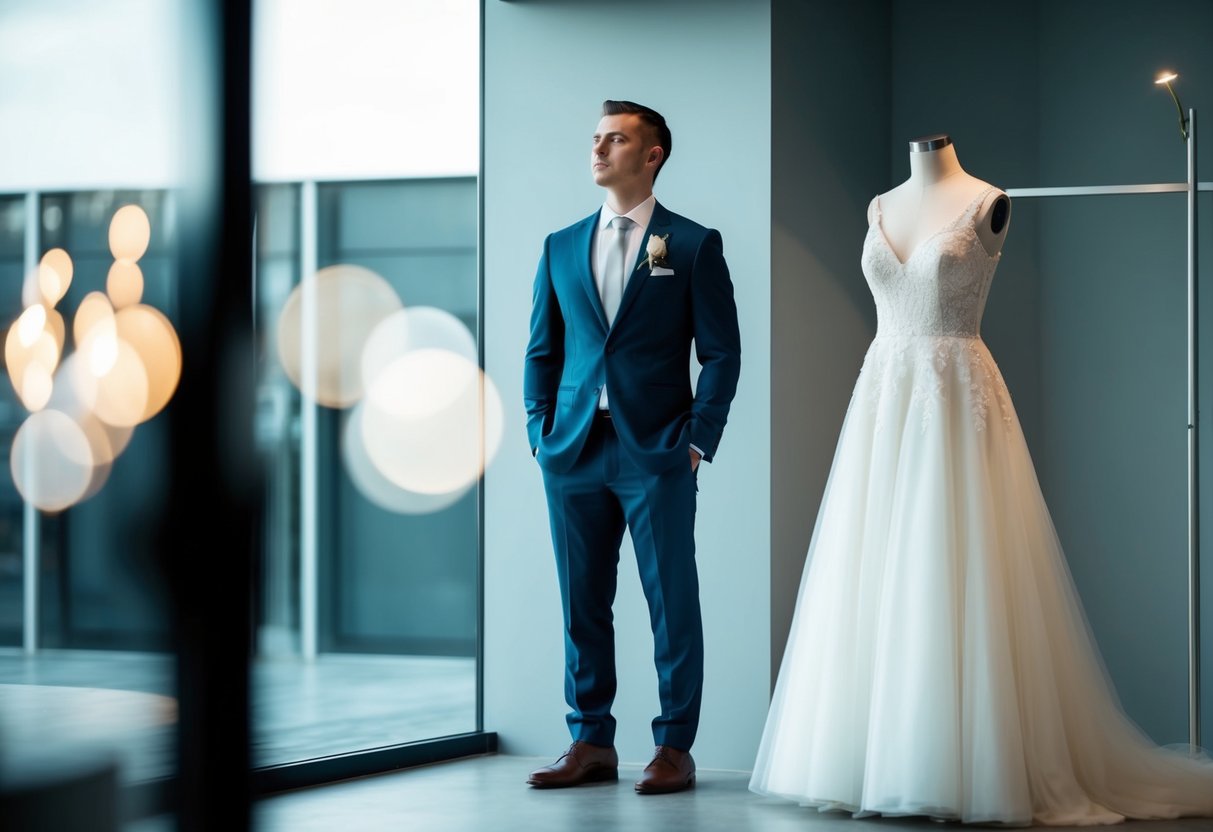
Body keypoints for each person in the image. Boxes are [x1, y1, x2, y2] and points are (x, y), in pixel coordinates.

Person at [750, 134, 1213, 824]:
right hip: (882, 397)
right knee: (873, 566)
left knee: (953, 563)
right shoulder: (881, 205)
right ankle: (873, 761)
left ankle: (961, 763)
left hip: (954, 391)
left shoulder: (986, 202)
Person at [523, 100, 741, 794]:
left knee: (671, 600)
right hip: (574, 450)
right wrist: (539, 432)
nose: (597, 149)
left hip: (657, 452)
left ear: (651, 155)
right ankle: (589, 740)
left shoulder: (692, 243)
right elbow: (542, 351)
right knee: (580, 601)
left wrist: (698, 440)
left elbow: (722, 353)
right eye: (595, 138)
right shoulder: (559, 245)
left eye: (614, 140)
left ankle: (673, 746)